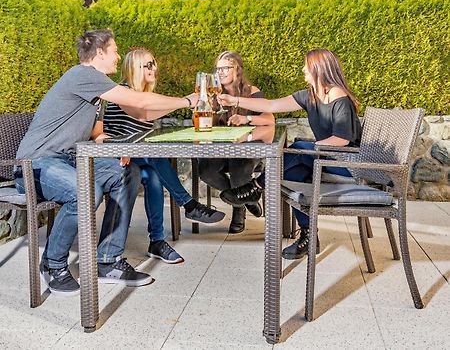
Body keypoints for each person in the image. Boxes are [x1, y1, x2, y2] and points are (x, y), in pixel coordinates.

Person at [15, 29, 199, 296]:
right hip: (36, 164)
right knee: (85, 191)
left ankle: (107, 261)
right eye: (114, 50)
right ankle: (53, 264)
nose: (118, 56)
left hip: (69, 160)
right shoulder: (82, 75)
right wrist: (188, 101)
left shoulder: (96, 88)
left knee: (126, 173)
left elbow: (96, 131)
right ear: (99, 53)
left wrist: (114, 145)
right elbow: (139, 100)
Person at [218, 48, 361, 258]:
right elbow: (271, 105)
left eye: (306, 66)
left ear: (318, 69)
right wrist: (235, 101)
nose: (303, 69)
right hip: (325, 159)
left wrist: (312, 148)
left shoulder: (339, 98)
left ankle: (256, 187)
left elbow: (341, 140)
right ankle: (308, 237)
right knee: (293, 171)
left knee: (300, 148)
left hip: (347, 165)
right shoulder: (310, 95)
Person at [94, 47, 226, 264]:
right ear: (135, 68)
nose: (154, 68)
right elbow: (143, 112)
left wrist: (182, 105)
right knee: (154, 155)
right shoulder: (124, 91)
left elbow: (150, 113)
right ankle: (188, 206)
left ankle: (157, 241)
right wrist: (186, 101)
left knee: (153, 175)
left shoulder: (143, 96)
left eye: (154, 63)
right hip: (114, 155)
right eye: (148, 65)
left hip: (135, 155)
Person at [198, 51, 274, 234]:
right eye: (218, 69)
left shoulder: (251, 92)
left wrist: (246, 118)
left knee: (239, 170)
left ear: (237, 70)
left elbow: (269, 119)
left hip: (247, 148)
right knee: (206, 171)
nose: (221, 72)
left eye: (226, 68)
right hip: (222, 148)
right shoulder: (212, 93)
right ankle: (247, 200)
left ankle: (238, 209)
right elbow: (205, 119)